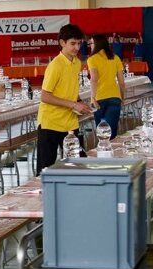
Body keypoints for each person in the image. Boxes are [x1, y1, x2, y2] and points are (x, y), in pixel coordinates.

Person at [36, 24, 91, 174]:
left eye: (79, 43)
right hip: (50, 123)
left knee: (79, 165)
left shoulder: (77, 62)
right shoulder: (55, 65)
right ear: (62, 43)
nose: (77, 47)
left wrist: (79, 102)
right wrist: (73, 104)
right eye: (73, 43)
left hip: (69, 123)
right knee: (45, 170)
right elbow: (45, 96)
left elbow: (71, 89)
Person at [87, 33, 126, 138]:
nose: (90, 46)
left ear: (97, 44)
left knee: (102, 133)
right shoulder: (115, 57)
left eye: (91, 43)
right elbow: (121, 82)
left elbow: (94, 79)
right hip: (114, 96)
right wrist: (122, 97)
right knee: (112, 132)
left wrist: (92, 98)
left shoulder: (92, 59)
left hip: (99, 98)